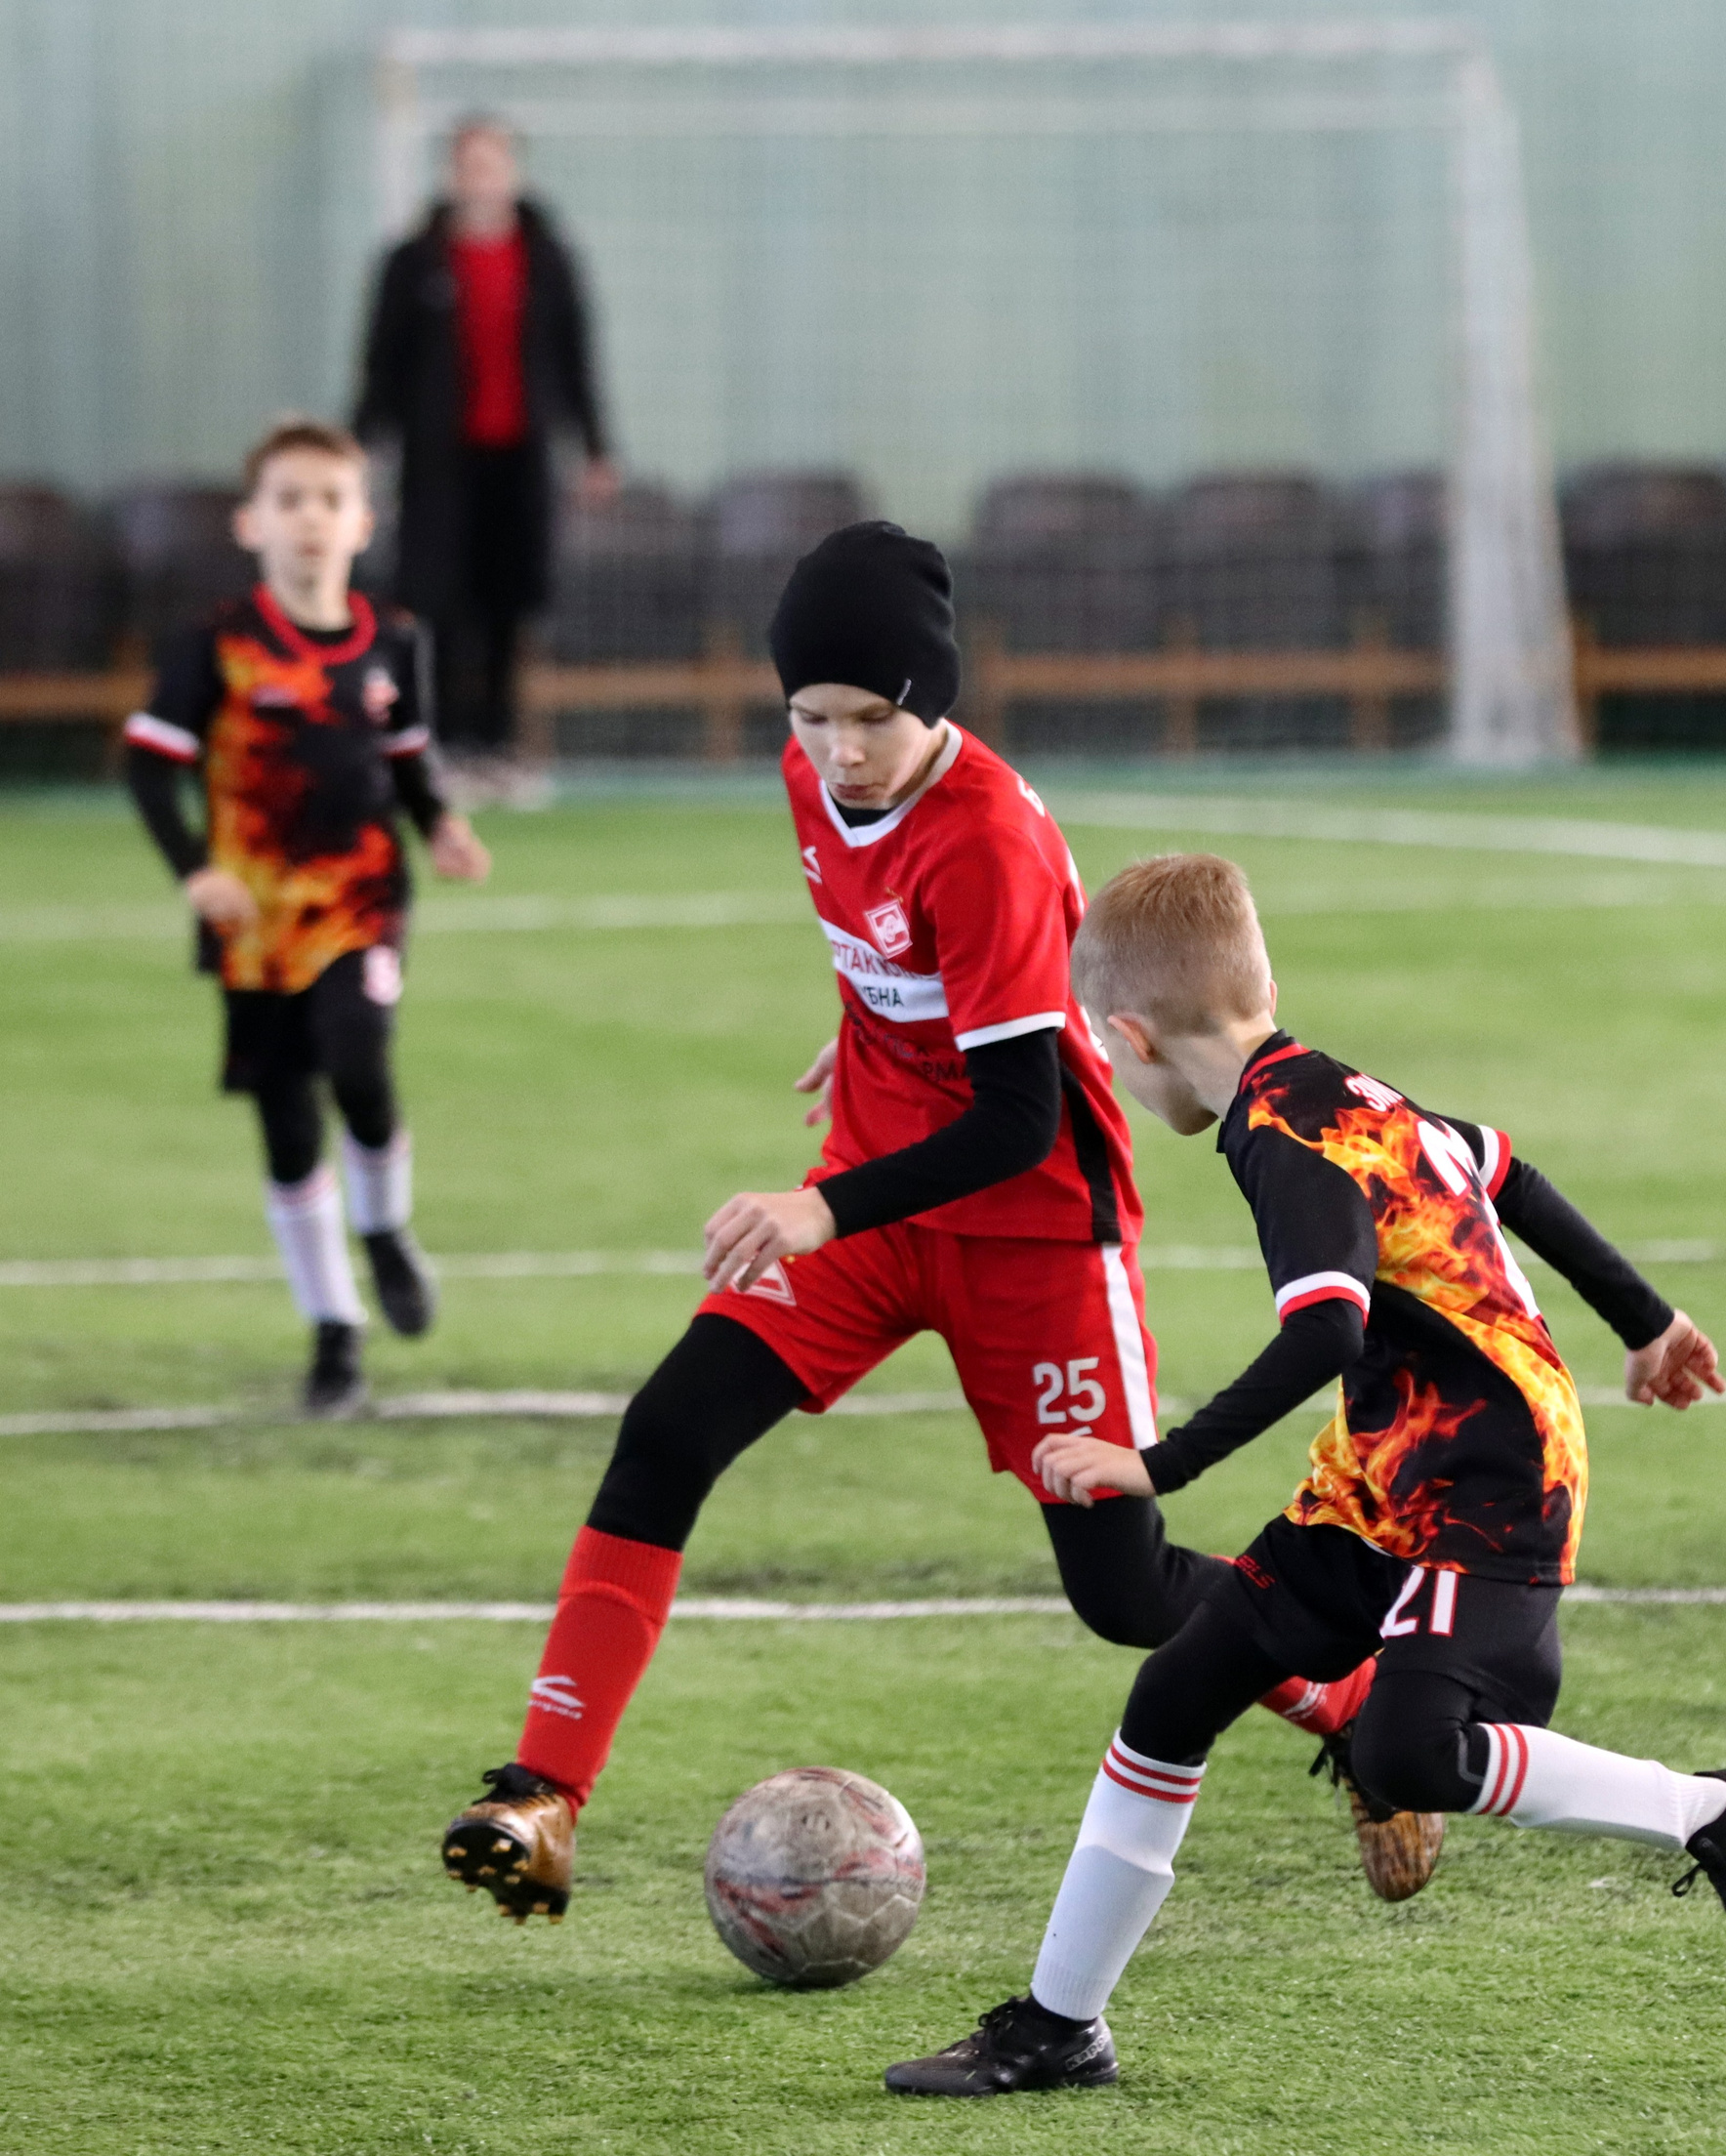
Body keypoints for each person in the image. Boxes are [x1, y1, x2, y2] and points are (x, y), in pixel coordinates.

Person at [437, 524, 1436, 1925]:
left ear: (933, 699)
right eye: (812, 717)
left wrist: (815, 1205)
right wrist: (860, 1038)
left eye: (871, 719)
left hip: (1033, 1237)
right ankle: (541, 1794)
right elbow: (888, 954)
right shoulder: (810, 778)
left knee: (1123, 1590)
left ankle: (1359, 1694)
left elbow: (1017, 1119)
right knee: (667, 1431)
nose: (840, 750)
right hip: (876, 1209)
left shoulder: (991, 842)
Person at [884, 852, 1726, 2097]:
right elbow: (1503, 1169)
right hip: (1383, 1468)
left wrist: (1150, 1465)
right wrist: (1646, 1321)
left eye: (1110, 1052)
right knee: (1177, 1691)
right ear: (1262, 987)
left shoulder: (1283, 1142)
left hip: (1494, 1474)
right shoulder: (1335, 1089)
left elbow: (1324, 1329)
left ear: (1130, 1038)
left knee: (1410, 1752)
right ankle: (1060, 2027)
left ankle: (1718, 1812)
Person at [123, 419, 491, 1416]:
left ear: (363, 522)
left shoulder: (394, 640)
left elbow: (407, 759)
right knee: (287, 1123)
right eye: (289, 500)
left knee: (358, 1058)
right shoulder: (216, 644)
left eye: (331, 499)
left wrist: (440, 826)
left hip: (360, 897)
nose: (311, 519)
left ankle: (385, 1230)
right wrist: (196, 873)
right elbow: (149, 768)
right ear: (252, 523)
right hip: (251, 916)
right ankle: (334, 1331)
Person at [353, 116, 617, 799]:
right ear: (451, 174)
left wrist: (594, 445)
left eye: (492, 164)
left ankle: (500, 747)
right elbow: (381, 363)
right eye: (469, 164)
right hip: (439, 462)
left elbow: (576, 358)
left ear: (513, 172)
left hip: (519, 461)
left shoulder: (547, 258)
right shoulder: (414, 261)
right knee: (438, 604)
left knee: (508, 603)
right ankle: (444, 746)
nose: (481, 177)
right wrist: (362, 442)